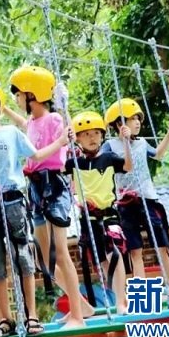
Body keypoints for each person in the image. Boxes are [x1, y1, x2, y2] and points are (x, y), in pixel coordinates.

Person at [0, 62, 69, 336]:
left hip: (13, 201)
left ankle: (32, 316)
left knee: (23, 258)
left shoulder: (12, 133)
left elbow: (37, 155)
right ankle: (5, 318)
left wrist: (61, 141)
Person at [9, 66, 89, 328]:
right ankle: (81, 305)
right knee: (45, 259)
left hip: (53, 186)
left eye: (19, 95)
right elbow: (24, 125)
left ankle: (77, 315)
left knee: (61, 253)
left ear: (32, 94)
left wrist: (65, 110)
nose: (17, 99)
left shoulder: (55, 119)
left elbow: (67, 136)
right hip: (35, 187)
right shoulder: (31, 122)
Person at [103, 98, 169, 285]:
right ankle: (141, 292)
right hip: (126, 204)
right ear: (120, 123)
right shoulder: (110, 146)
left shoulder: (142, 143)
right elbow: (99, 162)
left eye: (138, 118)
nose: (137, 122)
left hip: (148, 200)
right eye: (132, 118)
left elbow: (158, 155)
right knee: (135, 250)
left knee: (162, 245)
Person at [67, 111, 132, 315]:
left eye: (96, 133)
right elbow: (56, 166)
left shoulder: (109, 157)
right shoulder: (73, 163)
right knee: (102, 261)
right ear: (77, 138)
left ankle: (121, 301)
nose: (92, 137)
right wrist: (64, 138)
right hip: (88, 217)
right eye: (86, 134)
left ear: (102, 136)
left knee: (114, 252)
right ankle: (118, 297)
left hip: (109, 213)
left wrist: (127, 142)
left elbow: (128, 166)